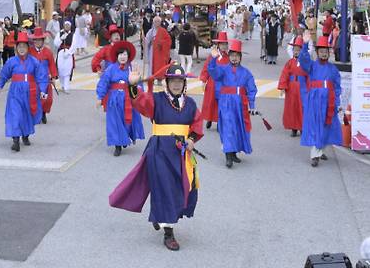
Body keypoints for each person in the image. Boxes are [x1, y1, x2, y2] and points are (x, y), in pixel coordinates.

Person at [109, 63, 203, 251]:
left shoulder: (190, 104)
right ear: (167, 82)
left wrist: (192, 140)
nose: (176, 84)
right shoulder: (157, 100)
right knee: (165, 188)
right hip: (159, 151)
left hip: (182, 154)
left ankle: (161, 217)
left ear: (184, 83)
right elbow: (139, 102)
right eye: (172, 81)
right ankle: (169, 233)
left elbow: (197, 125)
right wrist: (133, 86)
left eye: (180, 81)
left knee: (180, 188)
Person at [208, 39, 257, 168]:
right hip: (226, 103)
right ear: (229, 56)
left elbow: (252, 89)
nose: (234, 58)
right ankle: (228, 156)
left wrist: (252, 106)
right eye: (232, 55)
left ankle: (234, 152)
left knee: (238, 127)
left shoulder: (246, 73)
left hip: (240, 104)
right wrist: (213, 59)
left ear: (240, 57)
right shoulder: (223, 70)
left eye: (237, 56)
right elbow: (213, 72)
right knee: (228, 127)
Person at [0, 32, 49, 152]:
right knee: (15, 114)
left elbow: (41, 76)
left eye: (24, 47)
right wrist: (0, 85)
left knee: (27, 114)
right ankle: (15, 140)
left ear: (27, 48)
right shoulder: (11, 61)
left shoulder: (34, 61)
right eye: (19, 47)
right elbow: (4, 74)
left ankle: (25, 135)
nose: (21, 49)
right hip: (15, 92)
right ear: (16, 48)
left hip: (30, 92)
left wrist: (42, 90)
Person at [299, 31, 342, 167]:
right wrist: (305, 45)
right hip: (315, 100)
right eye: (321, 51)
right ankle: (315, 155)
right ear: (317, 52)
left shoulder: (333, 69)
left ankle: (320, 148)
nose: (324, 53)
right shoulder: (312, 66)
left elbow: (337, 87)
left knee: (326, 125)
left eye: (326, 51)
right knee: (315, 126)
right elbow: (303, 59)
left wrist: (337, 102)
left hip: (328, 101)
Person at [96, 41, 144, 156]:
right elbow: (104, 82)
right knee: (115, 122)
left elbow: (139, 83)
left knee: (127, 121)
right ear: (117, 56)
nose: (123, 57)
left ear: (128, 56)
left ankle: (125, 138)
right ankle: (117, 145)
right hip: (114, 100)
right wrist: (99, 97)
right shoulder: (111, 69)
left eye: (125, 54)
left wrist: (139, 94)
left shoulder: (132, 68)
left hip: (128, 99)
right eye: (120, 54)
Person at [277, 36, 308, 137]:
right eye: (295, 50)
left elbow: (309, 76)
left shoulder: (306, 63)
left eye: (298, 50)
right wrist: (282, 87)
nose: (296, 52)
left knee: (302, 108)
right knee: (292, 108)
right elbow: (285, 74)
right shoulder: (290, 62)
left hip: (302, 88)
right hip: (291, 88)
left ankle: (302, 127)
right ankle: (293, 128)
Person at [199, 31, 230, 130]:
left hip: (224, 85)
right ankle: (210, 119)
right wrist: (204, 80)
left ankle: (219, 122)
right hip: (213, 83)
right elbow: (206, 68)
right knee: (211, 103)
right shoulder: (213, 55)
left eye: (225, 44)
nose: (224, 46)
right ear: (218, 45)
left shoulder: (229, 57)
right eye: (222, 44)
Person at [29, 27, 59, 124]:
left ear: (43, 40)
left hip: (45, 80)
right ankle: (36, 114)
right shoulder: (30, 52)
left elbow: (52, 65)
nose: (37, 42)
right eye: (35, 40)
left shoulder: (48, 52)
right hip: (33, 79)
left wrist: (53, 76)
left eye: (39, 40)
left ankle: (43, 112)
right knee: (34, 98)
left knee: (47, 99)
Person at [145, 16, 172, 83]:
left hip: (160, 52)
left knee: (160, 66)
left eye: (158, 21)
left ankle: (159, 79)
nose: (157, 23)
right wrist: (148, 41)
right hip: (152, 50)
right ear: (153, 22)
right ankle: (152, 79)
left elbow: (168, 40)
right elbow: (146, 41)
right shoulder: (150, 31)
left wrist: (161, 43)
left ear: (160, 22)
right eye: (155, 21)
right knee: (152, 65)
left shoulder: (163, 31)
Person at [55, 21, 75, 93]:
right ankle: (62, 86)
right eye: (65, 25)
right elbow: (56, 44)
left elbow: (74, 45)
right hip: (61, 53)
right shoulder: (60, 33)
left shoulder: (73, 34)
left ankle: (66, 87)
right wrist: (61, 39)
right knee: (60, 70)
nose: (67, 26)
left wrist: (69, 52)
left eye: (68, 25)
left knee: (67, 70)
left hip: (68, 54)